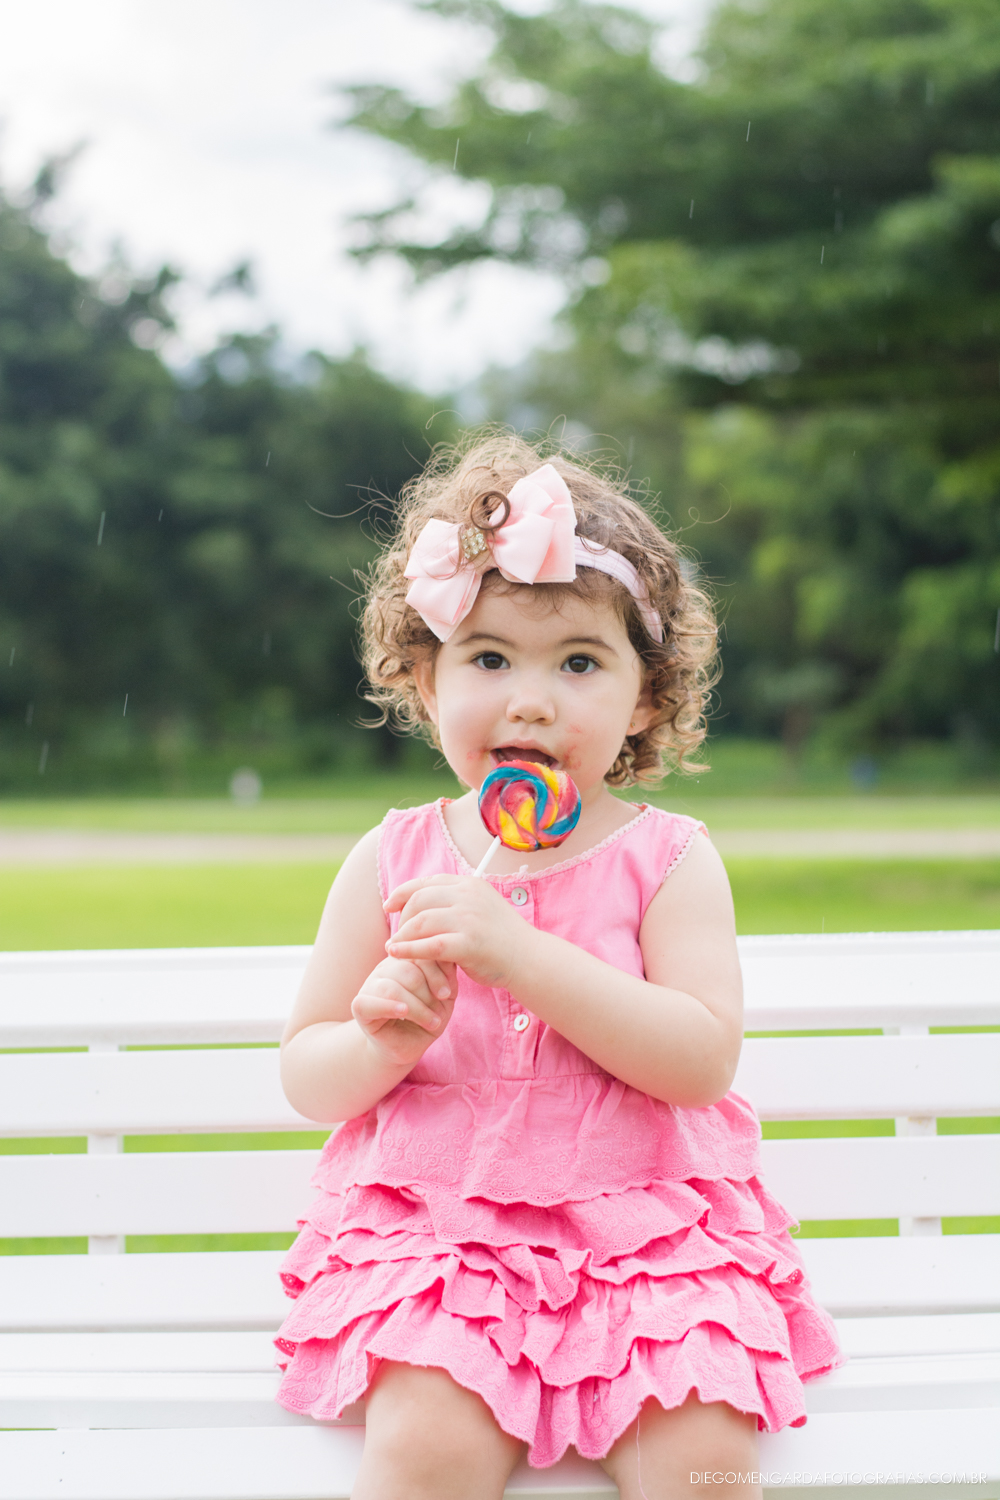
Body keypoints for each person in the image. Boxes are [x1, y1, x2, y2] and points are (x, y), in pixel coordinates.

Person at [274, 433, 842, 1500]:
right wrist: (378, 1042)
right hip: (445, 1240)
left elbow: (699, 1061)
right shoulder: (393, 859)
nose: (531, 700)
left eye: (579, 662)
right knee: (426, 1449)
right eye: (488, 659)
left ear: (644, 697)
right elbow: (308, 1072)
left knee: (703, 1463)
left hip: (649, 1240)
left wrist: (523, 956)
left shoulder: (668, 861)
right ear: (425, 680)